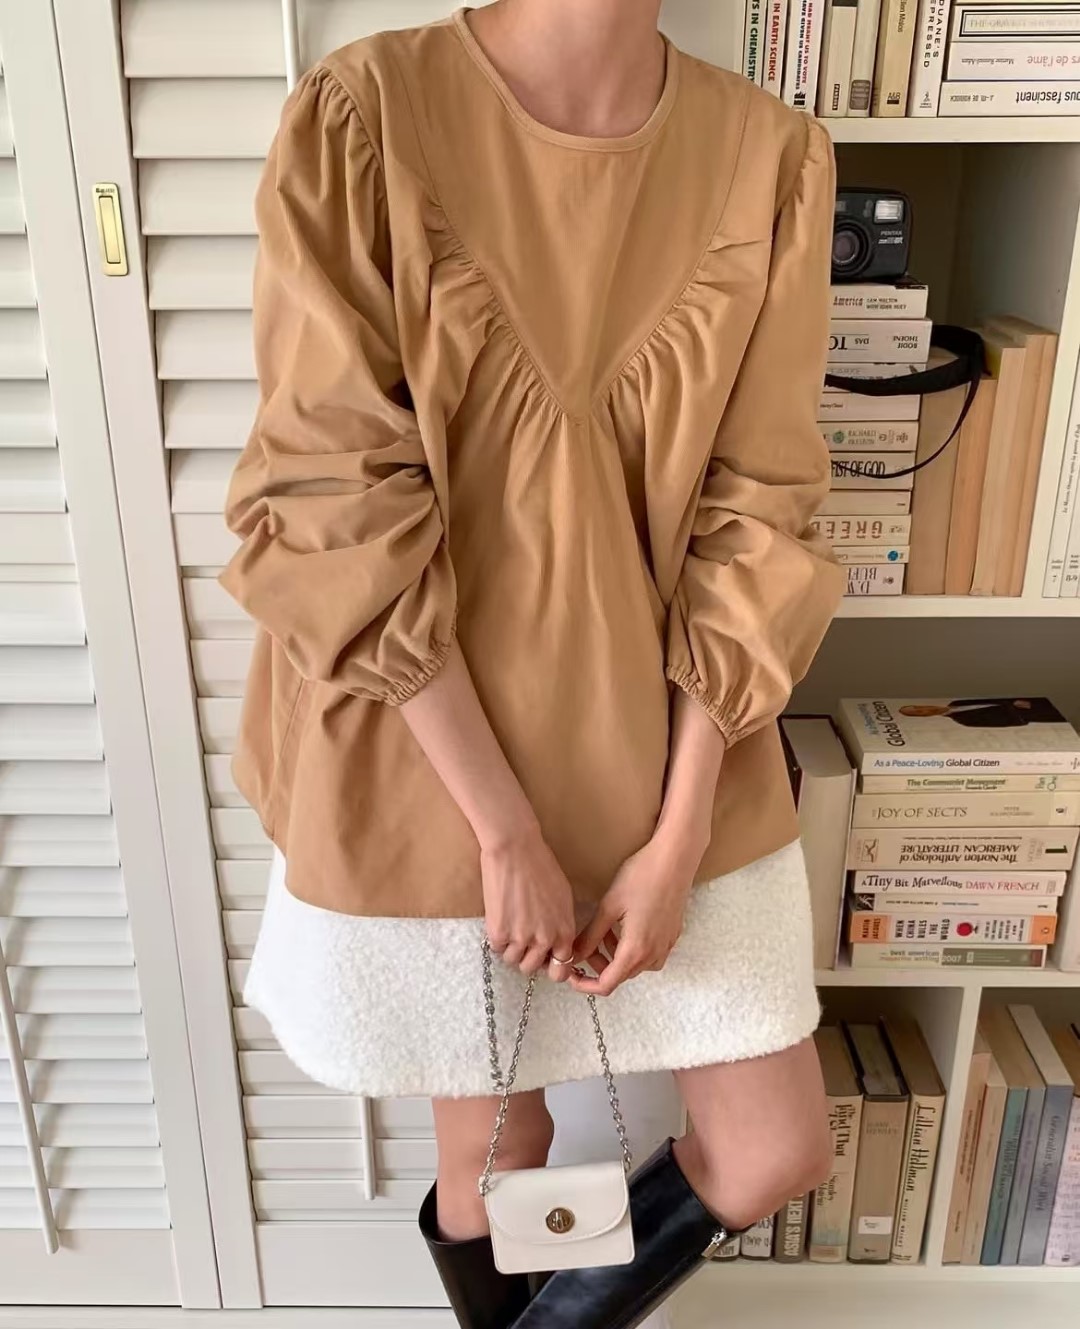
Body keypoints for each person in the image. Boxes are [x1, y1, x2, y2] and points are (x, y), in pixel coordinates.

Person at [220, 2, 846, 1326]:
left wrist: (681, 834)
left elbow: (760, 515)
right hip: (433, 748)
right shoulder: (363, 114)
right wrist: (501, 830)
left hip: (671, 744)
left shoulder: (773, 154)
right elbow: (333, 493)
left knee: (773, 1145)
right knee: (499, 1151)